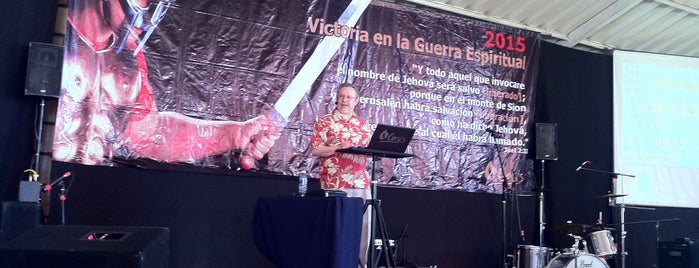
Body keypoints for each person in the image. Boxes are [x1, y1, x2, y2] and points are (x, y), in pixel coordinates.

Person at [53, 0, 282, 169]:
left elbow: (152, 135)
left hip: (82, 200)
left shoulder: (128, 62)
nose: (148, 15)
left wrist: (233, 134)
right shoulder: (49, 27)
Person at [310, 83, 372, 267]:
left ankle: (362, 265)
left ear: (356, 101)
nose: (344, 100)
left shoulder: (363, 125)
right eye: (341, 96)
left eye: (349, 97)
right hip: (334, 181)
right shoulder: (325, 121)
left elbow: (370, 150)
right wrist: (337, 148)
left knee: (363, 228)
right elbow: (316, 149)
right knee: (336, 228)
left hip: (360, 182)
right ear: (337, 98)